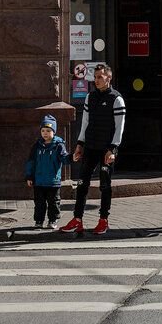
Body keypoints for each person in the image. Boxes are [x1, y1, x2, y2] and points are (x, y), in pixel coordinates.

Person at [62, 63, 125, 235]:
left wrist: (113, 149)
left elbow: (120, 127)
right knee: (82, 183)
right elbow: (85, 123)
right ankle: (77, 219)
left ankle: (103, 220)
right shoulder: (90, 97)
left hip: (106, 149)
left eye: (100, 77)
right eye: (95, 77)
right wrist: (80, 144)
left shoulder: (116, 99)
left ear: (108, 78)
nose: (96, 80)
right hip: (90, 146)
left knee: (105, 185)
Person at [24, 114, 69, 229]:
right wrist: (29, 176)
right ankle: (39, 221)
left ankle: (52, 220)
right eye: (43, 130)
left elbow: (64, 158)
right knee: (39, 203)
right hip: (39, 181)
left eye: (48, 131)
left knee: (53, 202)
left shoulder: (58, 145)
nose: (45, 133)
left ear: (54, 131)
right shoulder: (37, 146)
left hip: (53, 182)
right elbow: (31, 162)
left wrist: (71, 158)